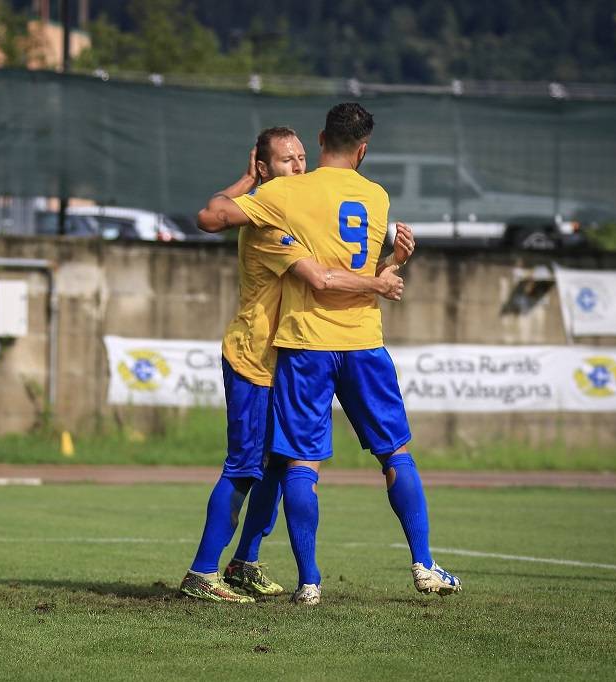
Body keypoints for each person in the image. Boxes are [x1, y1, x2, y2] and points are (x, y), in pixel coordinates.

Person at [197, 103, 461, 605]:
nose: (294, 164)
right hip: (361, 339)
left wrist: (384, 273)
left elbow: (214, 217)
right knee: (395, 453)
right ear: (363, 150)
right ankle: (424, 564)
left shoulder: (289, 193)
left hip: (304, 344)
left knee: (297, 464)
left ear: (320, 141)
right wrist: (388, 272)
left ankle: (308, 581)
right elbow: (342, 269)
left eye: (300, 155)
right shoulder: (377, 197)